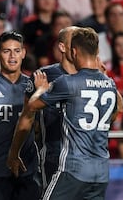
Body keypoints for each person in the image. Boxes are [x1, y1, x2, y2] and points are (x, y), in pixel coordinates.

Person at [7, 27, 121, 200]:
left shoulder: (67, 82)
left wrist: (41, 90)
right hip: (100, 170)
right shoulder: (109, 84)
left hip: (72, 166)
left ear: (74, 51)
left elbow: (30, 108)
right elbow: (114, 114)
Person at [0, 31, 41, 200]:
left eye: (17, 50)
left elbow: (40, 128)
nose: (12, 56)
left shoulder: (33, 86)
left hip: (27, 170)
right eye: (6, 51)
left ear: (24, 53)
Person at [26, 26, 78, 191]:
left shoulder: (89, 76)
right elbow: (26, 116)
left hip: (82, 157)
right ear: (62, 47)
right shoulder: (42, 76)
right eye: (74, 42)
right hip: (52, 154)